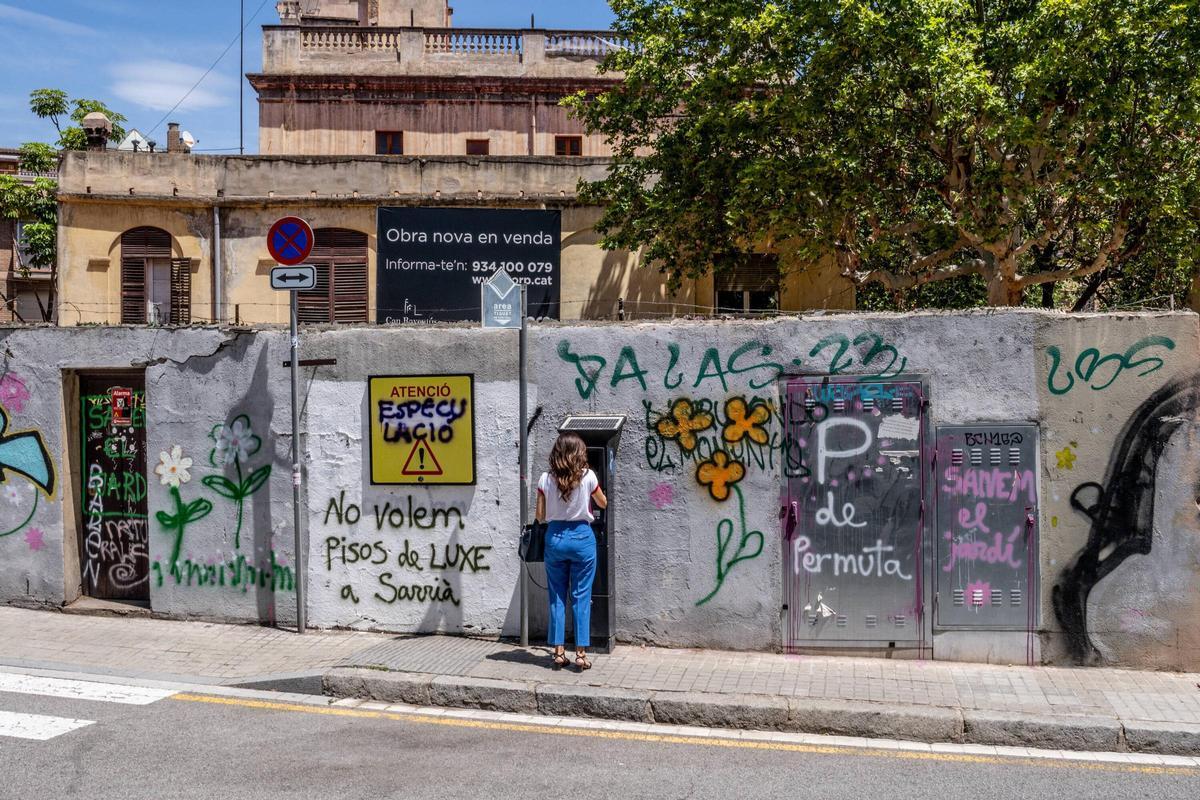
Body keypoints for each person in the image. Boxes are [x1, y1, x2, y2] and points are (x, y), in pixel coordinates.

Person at [536, 432, 607, 671]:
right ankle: (580, 653)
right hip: (582, 539)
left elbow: (539, 515)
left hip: (554, 538)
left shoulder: (545, 479)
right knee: (581, 597)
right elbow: (603, 503)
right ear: (579, 454)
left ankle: (558, 652)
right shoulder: (588, 476)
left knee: (556, 596)